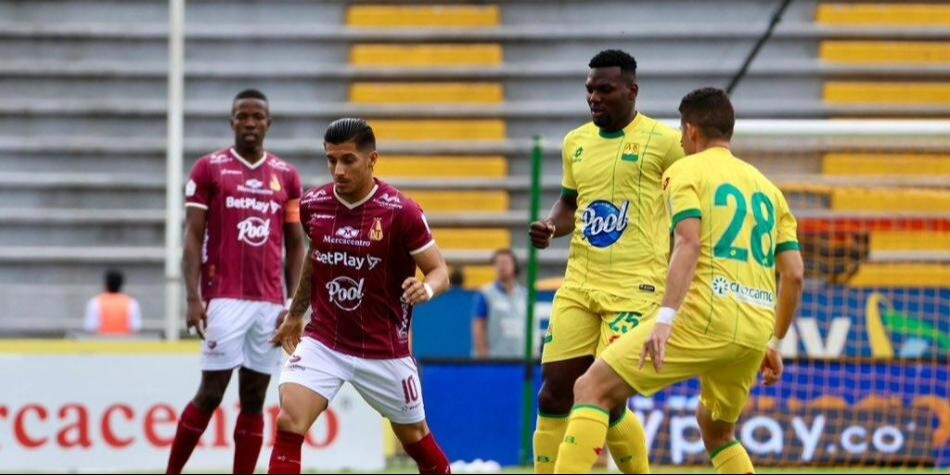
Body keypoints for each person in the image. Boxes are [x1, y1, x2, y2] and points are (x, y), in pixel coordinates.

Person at [553, 88, 805, 474]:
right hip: (754, 328)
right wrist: (775, 342)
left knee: (591, 388)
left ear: (690, 130)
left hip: (702, 317)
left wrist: (665, 318)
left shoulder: (685, 171)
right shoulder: (769, 190)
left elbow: (689, 242)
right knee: (717, 430)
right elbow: (794, 274)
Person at [528, 49, 685, 473]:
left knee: (605, 395)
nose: (594, 98)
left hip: (636, 289)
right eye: (589, 90)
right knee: (553, 394)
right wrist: (551, 225)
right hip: (580, 284)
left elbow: (693, 204)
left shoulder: (665, 143)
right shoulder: (575, 143)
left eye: (605, 89)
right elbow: (568, 204)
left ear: (632, 91)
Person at [268, 118, 451, 474]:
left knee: (415, 438)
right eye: (331, 160)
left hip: (383, 349)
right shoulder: (313, 204)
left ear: (372, 160)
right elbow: (315, 258)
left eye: (348, 160)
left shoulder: (402, 212)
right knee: (289, 421)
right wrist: (296, 313)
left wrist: (427, 288)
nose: (338, 170)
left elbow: (439, 270)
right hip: (325, 340)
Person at [166, 89, 306, 474]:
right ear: (232, 122)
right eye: (243, 116)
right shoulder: (208, 169)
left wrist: (293, 305)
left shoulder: (286, 176)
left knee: (255, 399)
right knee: (211, 392)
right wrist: (192, 297)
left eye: (257, 116)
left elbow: (296, 244)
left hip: (270, 303)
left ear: (268, 123)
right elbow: (192, 236)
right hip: (224, 298)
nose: (250, 123)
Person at [472, 249, 528, 359]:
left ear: (514, 265)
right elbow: (479, 327)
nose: (502, 266)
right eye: (498, 263)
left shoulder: (525, 295)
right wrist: (483, 357)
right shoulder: (485, 294)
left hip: (521, 360)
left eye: (506, 262)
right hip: (496, 361)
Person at [83, 269, 142, 336]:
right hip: (124, 341)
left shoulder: (95, 302)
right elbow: (135, 328)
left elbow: (91, 327)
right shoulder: (132, 303)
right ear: (121, 284)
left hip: (102, 341)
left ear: (105, 284)